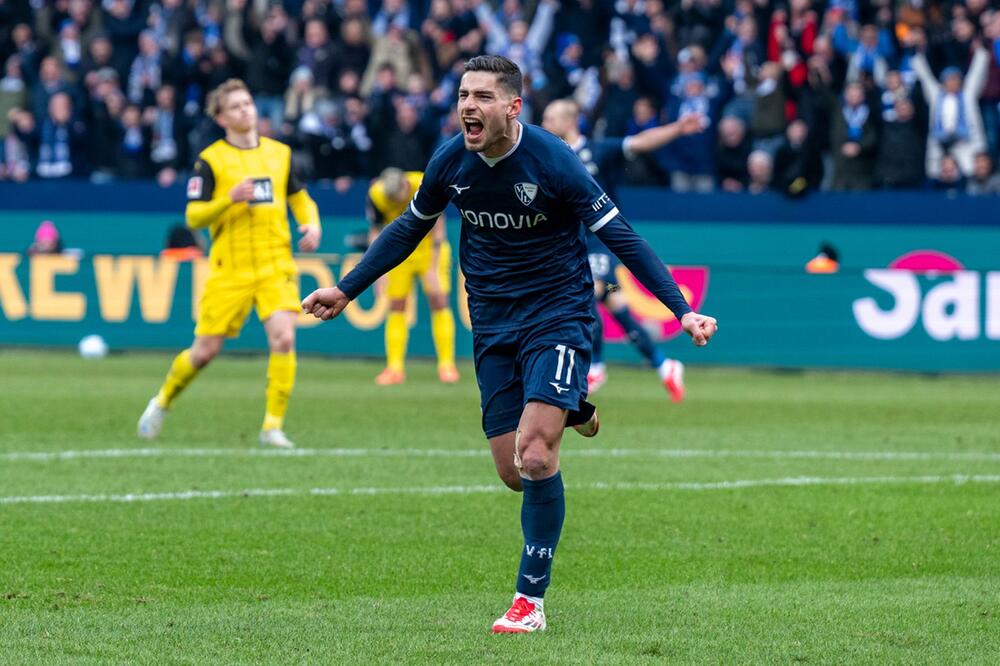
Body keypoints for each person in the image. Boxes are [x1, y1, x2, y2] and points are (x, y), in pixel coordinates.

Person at [302, 55, 717, 633]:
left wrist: (682, 309)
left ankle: (529, 603)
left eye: (482, 97)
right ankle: (572, 409)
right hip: (493, 320)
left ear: (513, 107)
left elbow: (620, 235)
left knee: (538, 455)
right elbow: (407, 229)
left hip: (558, 313)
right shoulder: (450, 160)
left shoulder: (554, 161)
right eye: (463, 95)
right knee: (513, 470)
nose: (468, 106)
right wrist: (346, 289)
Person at [138, 78, 322, 449]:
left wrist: (312, 222)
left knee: (284, 337)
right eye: (236, 106)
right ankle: (162, 401)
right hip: (230, 268)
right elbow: (193, 217)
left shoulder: (278, 154)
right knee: (204, 352)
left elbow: (299, 196)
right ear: (222, 118)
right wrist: (229, 199)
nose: (245, 110)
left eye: (248, 103)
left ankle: (272, 426)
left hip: (275, 262)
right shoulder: (210, 161)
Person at [541, 98, 703, 400]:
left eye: (550, 118)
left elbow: (641, 142)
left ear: (569, 121)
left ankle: (597, 365)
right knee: (613, 299)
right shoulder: (551, 156)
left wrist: (678, 128)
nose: (545, 124)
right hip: (569, 243)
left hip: (598, 241)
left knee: (588, 291)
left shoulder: (597, 150)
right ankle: (663, 363)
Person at [366, 167, 459, 385]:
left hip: (428, 247)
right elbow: (376, 231)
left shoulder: (421, 184)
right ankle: (394, 368)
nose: (395, 204)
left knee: (439, 300)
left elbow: (439, 223)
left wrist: (434, 267)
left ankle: (447, 365)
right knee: (396, 305)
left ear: (405, 186)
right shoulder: (377, 195)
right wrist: (377, 271)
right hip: (399, 250)